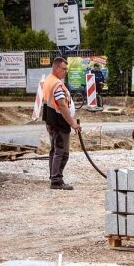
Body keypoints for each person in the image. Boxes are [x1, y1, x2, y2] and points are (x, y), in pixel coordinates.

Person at [41, 57, 80, 190]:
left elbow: (46, 102)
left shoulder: (48, 81)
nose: (65, 72)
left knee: (54, 150)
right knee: (62, 152)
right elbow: (62, 105)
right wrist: (73, 123)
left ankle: (54, 176)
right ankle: (57, 180)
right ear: (56, 68)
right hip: (59, 122)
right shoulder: (57, 84)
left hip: (51, 121)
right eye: (64, 69)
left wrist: (46, 121)